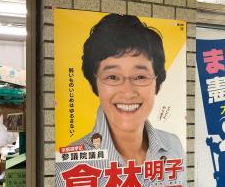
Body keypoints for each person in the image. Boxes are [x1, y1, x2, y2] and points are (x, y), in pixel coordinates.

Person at [74, 13, 185, 167]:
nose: (127, 92)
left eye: (140, 77)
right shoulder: (69, 163)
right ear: (95, 83)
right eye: (112, 77)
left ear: (157, 83)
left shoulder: (174, 147)